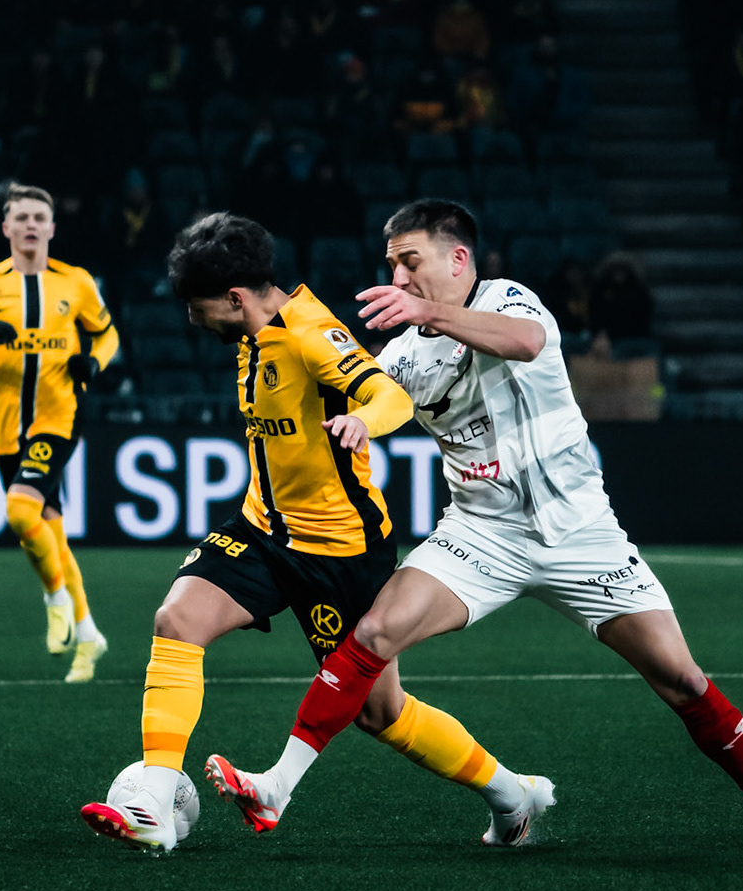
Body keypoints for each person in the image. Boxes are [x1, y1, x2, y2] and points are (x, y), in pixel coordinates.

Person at [205, 201, 743, 849]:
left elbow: (526, 343)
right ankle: (276, 787)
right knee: (375, 631)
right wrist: (361, 420)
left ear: (458, 258)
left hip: (582, 534)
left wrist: (431, 313)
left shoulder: (507, 299)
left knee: (682, 680)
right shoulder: (407, 354)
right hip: (479, 535)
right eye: (392, 265)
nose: (399, 278)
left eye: (410, 261)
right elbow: (383, 400)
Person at [79, 213, 537, 853]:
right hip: (263, 531)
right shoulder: (250, 331)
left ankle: (511, 794)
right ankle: (154, 799)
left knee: (382, 713)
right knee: (177, 620)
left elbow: (389, 397)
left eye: (197, 307)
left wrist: (364, 424)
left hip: (341, 552)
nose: (192, 319)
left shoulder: (311, 333)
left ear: (236, 298)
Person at [0, 184, 118, 676]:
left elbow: (107, 334)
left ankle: (55, 600)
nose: (31, 225)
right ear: (6, 227)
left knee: (20, 512)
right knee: (50, 533)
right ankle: (89, 637)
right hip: (4, 425)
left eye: (40, 216)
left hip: (58, 416)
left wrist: (94, 362)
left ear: (52, 227)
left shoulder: (76, 282)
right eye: (21, 217)